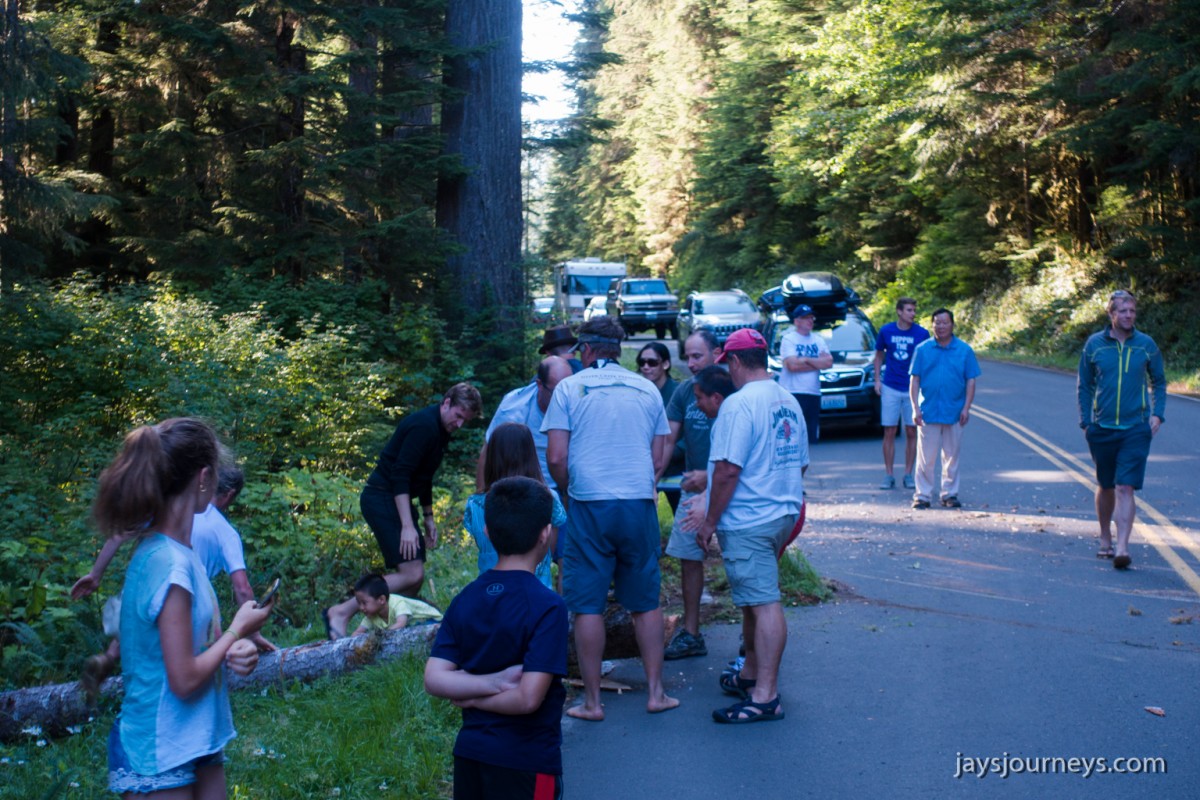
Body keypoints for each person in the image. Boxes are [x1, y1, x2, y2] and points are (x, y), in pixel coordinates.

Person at [93, 418, 272, 798]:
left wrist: (234, 650)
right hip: (160, 748)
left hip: (196, 736)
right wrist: (237, 631)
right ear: (204, 478)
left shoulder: (181, 554)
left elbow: (191, 648)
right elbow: (184, 679)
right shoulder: (169, 564)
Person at [542, 316, 678, 720]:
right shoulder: (647, 388)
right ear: (619, 350)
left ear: (584, 350)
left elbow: (556, 457)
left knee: (588, 605)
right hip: (637, 502)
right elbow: (658, 458)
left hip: (589, 502)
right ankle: (656, 693)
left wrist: (568, 491)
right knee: (645, 601)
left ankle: (592, 702)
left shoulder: (570, 387)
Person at [73, 463, 275, 695]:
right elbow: (242, 587)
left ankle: (108, 660)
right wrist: (252, 631)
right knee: (182, 662)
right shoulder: (224, 531)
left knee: (143, 636)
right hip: (184, 598)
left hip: (146, 586)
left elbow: (120, 534)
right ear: (229, 494)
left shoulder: (169, 509)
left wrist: (95, 575)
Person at [424, 477, 568, 800]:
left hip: (471, 755)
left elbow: (434, 677)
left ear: (487, 532)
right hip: (526, 760)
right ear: (545, 533)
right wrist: (496, 683)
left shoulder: (466, 599)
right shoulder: (548, 606)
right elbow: (527, 699)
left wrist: (473, 696)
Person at [694, 329, 805, 724]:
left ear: (736, 361)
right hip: (782, 512)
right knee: (752, 598)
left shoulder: (738, 405)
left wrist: (709, 521)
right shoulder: (788, 400)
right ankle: (751, 673)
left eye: (728, 363)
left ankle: (765, 696)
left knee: (763, 601)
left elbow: (727, 470)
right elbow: (800, 463)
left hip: (750, 518)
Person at [325, 382, 482, 639]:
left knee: (414, 580)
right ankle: (341, 612)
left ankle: (385, 631)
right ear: (446, 403)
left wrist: (429, 517)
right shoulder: (423, 427)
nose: (460, 424)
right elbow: (400, 474)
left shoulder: (440, 430)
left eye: (466, 420)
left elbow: (424, 475)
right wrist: (408, 526)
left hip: (396, 499)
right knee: (411, 573)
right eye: (458, 416)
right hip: (382, 497)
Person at [1077, 290, 1166, 569]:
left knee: (1125, 486)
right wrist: (1086, 421)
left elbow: (1159, 381)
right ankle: (1105, 537)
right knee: (1106, 485)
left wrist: (1158, 414)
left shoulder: (1146, 345)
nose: (1129, 315)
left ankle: (1123, 547)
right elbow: (1085, 385)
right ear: (1111, 314)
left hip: (1136, 428)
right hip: (1102, 427)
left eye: (1132, 311)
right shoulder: (1094, 345)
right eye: (1123, 311)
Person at [662, 331, 727, 660]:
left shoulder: (732, 389)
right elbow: (668, 439)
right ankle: (691, 633)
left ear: (717, 353)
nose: (690, 363)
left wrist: (710, 476)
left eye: (697, 356)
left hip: (732, 487)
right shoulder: (686, 391)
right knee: (689, 557)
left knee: (739, 558)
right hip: (693, 488)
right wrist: (651, 479)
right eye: (687, 356)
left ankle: (751, 637)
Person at [466, 423, 567, 590]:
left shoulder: (475, 504)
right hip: (536, 591)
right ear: (531, 455)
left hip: (492, 591)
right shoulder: (549, 498)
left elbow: (483, 544)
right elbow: (548, 549)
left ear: (492, 457)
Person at [909, 309, 981, 510]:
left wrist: (966, 408)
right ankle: (922, 495)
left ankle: (949, 494)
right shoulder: (923, 349)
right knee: (926, 457)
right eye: (937, 323)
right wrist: (915, 408)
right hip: (928, 410)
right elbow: (914, 380)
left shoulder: (964, 350)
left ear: (952, 325)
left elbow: (971, 380)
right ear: (932, 325)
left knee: (951, 456)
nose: (940, 326)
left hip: (955, 411)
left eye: (944, 322)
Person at [476, 356, 574, 493]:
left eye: (569, 391)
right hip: (523, 489)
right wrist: (481, 494)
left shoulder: (580, 403)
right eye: (557, 392)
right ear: (539, 385)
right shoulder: (513, 408)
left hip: (567, 486)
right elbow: (489, 450)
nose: (564, 398)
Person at [873, 297, 929, 490]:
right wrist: (877, 380)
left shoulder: (921, 333)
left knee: (912, 431)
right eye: (909, 310)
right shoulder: (886, 331)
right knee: (889, 431)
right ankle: (888, 474)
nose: (913, 314)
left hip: (912, 387)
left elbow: (927, 360)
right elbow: (879, 356)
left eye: (914, 310)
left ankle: (908, 474)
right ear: (899, 311)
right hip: (890, 386)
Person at [777, 303, 832, 446]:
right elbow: (792, 366)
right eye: (806, 318)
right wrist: (817, 362)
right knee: (793, 435)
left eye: (811, 317)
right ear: (797, 321)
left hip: (813, 392)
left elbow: (828, 363)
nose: (810, 320)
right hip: (793, 392)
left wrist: (806, 359)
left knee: (811, 436)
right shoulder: (789, 339)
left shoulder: (818, 340)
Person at [347, 573, 442, 636]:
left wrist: (380, 635)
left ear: (381, 599)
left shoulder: (397, 603)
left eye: (364, 603)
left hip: (431, 620)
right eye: (359, 603)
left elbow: (401, 623)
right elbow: (357, 632)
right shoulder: (371, 616)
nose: (361, 607)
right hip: (414, 625)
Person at [637, 342, 678, 408]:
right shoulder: (637, 391)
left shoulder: (678, 392)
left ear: (666, 364)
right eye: (641, 362)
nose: (645, 367)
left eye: (652, 362)